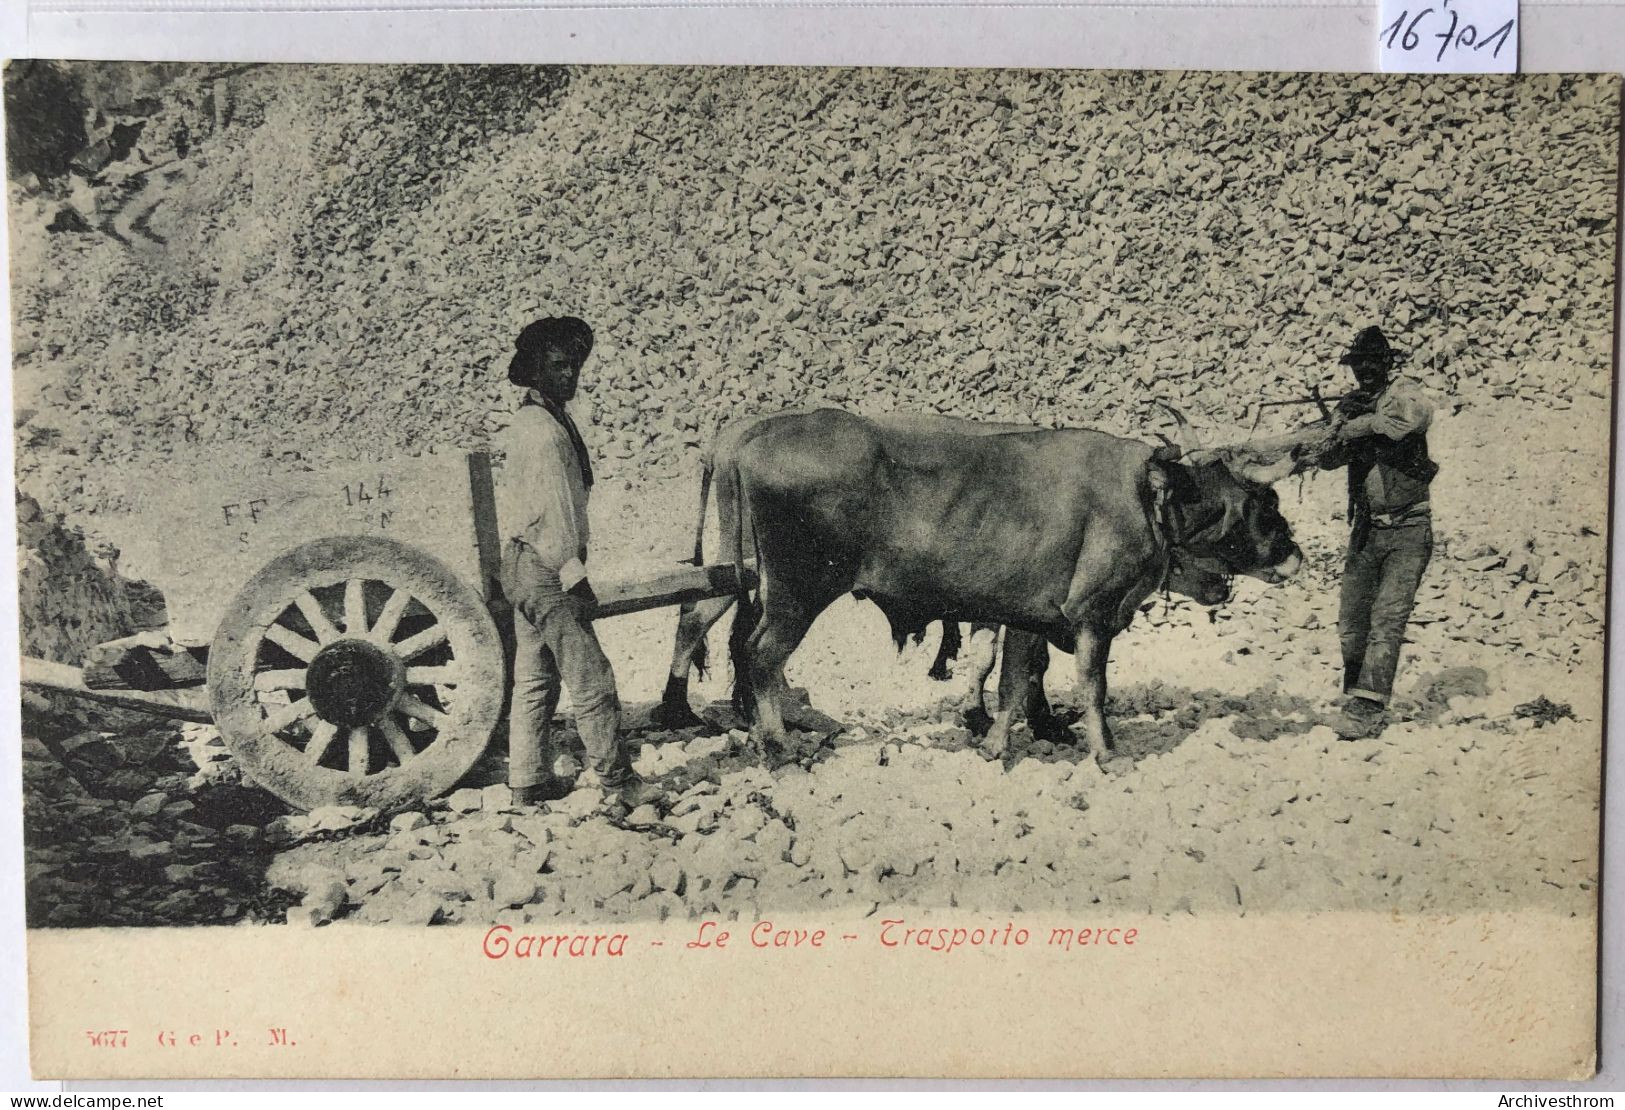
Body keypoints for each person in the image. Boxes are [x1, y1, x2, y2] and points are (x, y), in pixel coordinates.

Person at [495, 316, 663, 808]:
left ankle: (526, 780)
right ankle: (619, 783)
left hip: (520, 566)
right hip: (549, 567)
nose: (571, 376)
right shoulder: (546, 434)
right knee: (592, 677)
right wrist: (575, 578)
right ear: (534, 370)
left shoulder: (531, 420)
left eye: (575, 366)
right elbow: (559, 517)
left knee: (535, 675)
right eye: (559, 366)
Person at [1313, 326, 1439, 740]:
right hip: (1367, 529)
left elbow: (1409, 420)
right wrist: (1332, 432)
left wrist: (1355, 425)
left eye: (1372, 363)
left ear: (1387, 363)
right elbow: (1329, 458)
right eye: (1358, 365)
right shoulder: (1352, 404)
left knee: (1387, 619)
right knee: (1352, 621)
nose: (1364, 371)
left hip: (1408, 527)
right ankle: (1356, 693)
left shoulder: (1404, 392)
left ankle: (1367, 710)